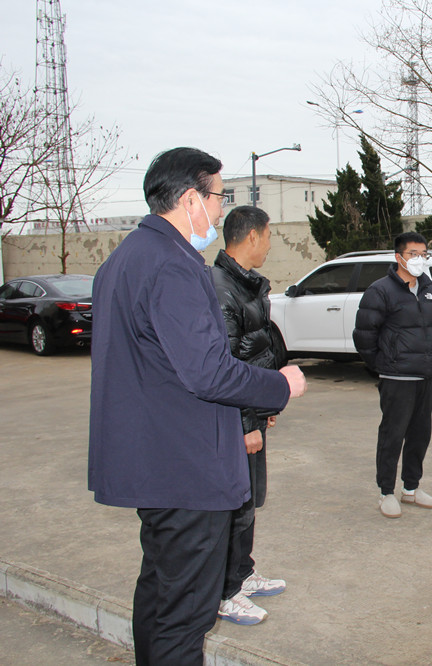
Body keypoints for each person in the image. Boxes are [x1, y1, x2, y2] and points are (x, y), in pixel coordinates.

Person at [88, 147, 307, 666]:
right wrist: (279, 385)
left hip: (154, 461)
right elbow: (207, 371)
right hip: (185, 467)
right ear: (189, 199)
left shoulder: (125, 258)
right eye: (217, 196)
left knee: (161, 595)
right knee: (186, 614)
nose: (218, 209)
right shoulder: (173, 265)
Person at [211, 206, 287, 625]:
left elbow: (258, 351)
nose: (271, 244)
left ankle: (243, 572)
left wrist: (266, 405)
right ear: (252, 236)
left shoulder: (247, 284)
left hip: (253, 410)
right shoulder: (221, 288)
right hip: (236, 419)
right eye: (269, 235)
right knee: (237, 505)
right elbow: (225, 366)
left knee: (251, 499)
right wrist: (244, 423)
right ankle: (226, 591)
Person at [353, 231, 432, 518]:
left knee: (420, 435)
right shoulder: (380, 290)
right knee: (392, 436)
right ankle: (386, 492)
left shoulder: (428, 287)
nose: (419, 259)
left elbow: (429, 327)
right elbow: (364, 334)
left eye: (423, 254)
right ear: (398, 257)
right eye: (413, 254)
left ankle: (411, 489)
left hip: (426, 374)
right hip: (397, 377)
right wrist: (384, 364)